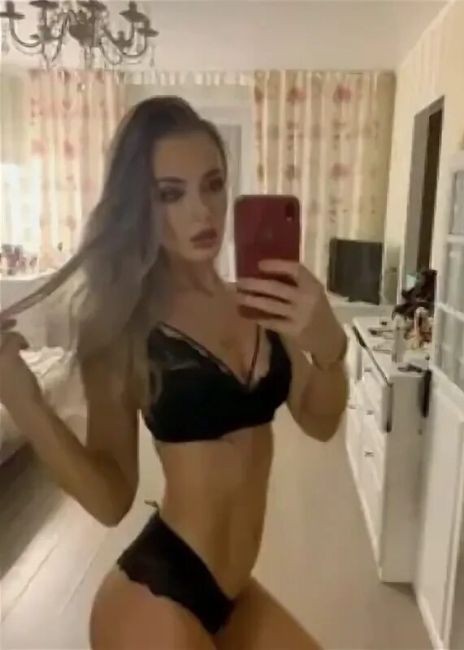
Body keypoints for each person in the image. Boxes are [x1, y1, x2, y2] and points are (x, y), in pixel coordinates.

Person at [0, 97, 348, 649]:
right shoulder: (124, 327)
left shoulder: (262, 303)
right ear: (140, 205)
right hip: (155, 596)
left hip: (233, 594)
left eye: (213, 185)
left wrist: (330, 350)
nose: (202, 212)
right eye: (171, 193)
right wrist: (23, 400)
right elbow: (111, 499)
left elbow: (321, 422)